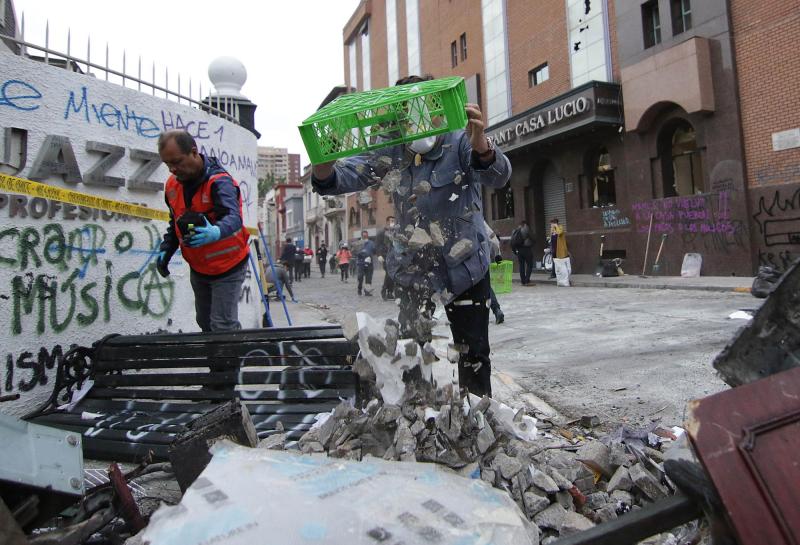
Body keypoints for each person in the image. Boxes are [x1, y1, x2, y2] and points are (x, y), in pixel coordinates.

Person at [312, 74, 511, 397]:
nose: (413, 121)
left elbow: (500, 177)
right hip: (415, 268)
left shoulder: (459, 139)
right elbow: (341, 177)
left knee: (473, 352)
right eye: (403, 113)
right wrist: (323, 164)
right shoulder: (390, 150)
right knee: (413, 352)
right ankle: (418, 419)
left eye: (419, 109)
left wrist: (483, 147)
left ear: (435, 109)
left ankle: (479, 421)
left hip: (466, 268)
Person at [155, 130, 249, 332]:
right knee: (205, 324)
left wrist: (215, 231)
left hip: (228, 265)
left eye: (177, 161)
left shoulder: (219, 181)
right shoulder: (172, 186)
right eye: (168, 164)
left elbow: (234, 218)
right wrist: (166, 250)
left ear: (194, 152)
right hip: (199, 268)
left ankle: (229, 364)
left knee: (222, 326)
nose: (173, 169)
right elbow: (175, 223)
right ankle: (218, 364)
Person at [484, 221, 505, 324]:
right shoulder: (478, 220)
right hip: (482, 260)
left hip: (463, 264)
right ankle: (496, 310)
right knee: (486, 287)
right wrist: (498, 254)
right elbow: (493, 237)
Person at [510, 220, 535, 285]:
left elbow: (512, 241)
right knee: (530, 264)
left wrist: (514, 251)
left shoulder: (515, 231)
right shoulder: (526, 229)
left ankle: (523, 281)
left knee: (521, 266)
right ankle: (527, 280)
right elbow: (533, 238)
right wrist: (532, 243)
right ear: (525, 224)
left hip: (519, 250)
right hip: (526, 249)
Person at [378, 216, 397, 300]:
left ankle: (390, 292)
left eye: (394, 221)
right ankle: (384, 291)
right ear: (387, 222)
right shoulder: (382, 232)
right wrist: (379, 255)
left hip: (394, 256)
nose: (393, 222)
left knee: (393, 274)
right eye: (391, 221)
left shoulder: (395, 231)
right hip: (385, 256)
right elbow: (378, 244)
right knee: (389, 274)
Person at [356, 230, 376, 296]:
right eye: (364, 235)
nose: (365, 236)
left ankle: (367, 291)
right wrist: (362, 252)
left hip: (369, 263)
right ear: (362, 236)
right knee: (360, 277)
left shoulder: (371, 243)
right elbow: (355, 253)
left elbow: (374, 251)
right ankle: (359, 289)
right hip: (361, 263)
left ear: (368, 236)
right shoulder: (359, 243)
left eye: (366, 235)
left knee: (369, 278)